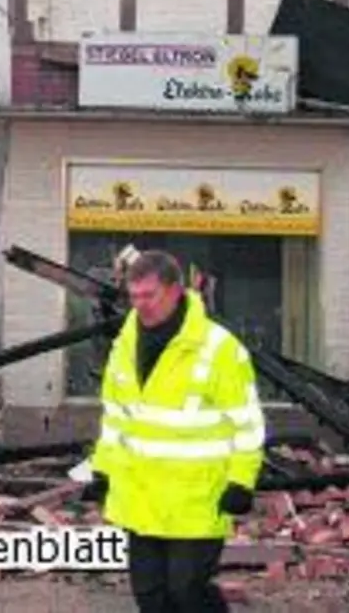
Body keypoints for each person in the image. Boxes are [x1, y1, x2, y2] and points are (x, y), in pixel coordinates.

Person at [79, 250, 265, 613]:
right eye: (134, 296)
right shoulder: (124, 346)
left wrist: (241, 481)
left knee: (187, 594)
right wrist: (102, 470)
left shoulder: (219, 348)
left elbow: (246, 422)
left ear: (175, 291)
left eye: (150, 295)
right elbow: (117, 418)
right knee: (151, 599)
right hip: (140, 499)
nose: (140, 305)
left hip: (195, 501)